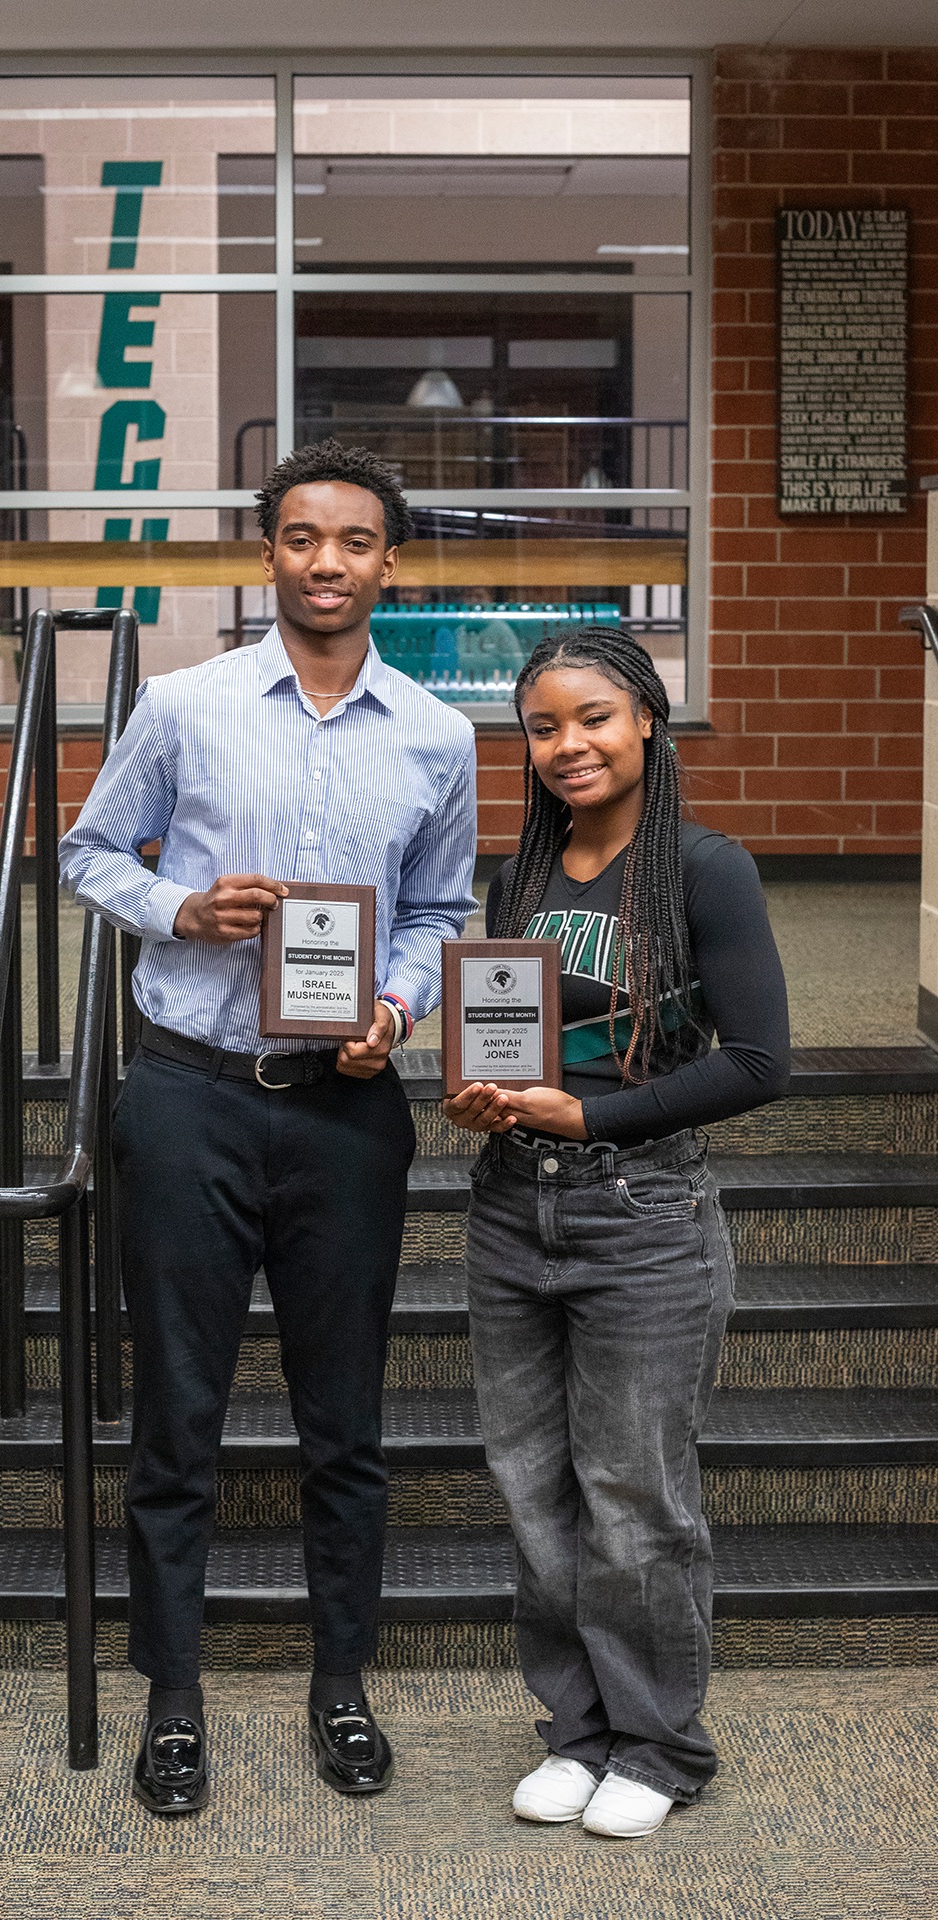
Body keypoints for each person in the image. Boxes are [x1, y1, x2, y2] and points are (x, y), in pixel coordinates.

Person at [59, 440, 477, 1813]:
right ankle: (173, 1698)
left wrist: (399, 1009)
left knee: (342, 1422)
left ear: (388, 563)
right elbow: (87, 853)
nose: (326, 562)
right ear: (269, 555)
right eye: (302, 538)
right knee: (177, 1417)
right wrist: (181, 909)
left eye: (353, 540)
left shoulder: (437, 735)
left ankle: (340, 1684)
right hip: (190, 1096)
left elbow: (440, 909)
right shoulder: (182, 706)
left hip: (345, 1111)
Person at [444, 627, 790, 1839]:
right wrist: (486, 1096)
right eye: (543, 727)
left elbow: (759, 1063)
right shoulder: (521, 875)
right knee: (534, 1493)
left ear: (647, 718)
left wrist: (590, 1114)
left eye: (593, 717)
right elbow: (513, 1038)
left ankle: (658, 1746)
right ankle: (578, 1734)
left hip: (644, 1212)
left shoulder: (706, 867)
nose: (568, 745)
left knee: (635, 1498)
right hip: (511, 1205)